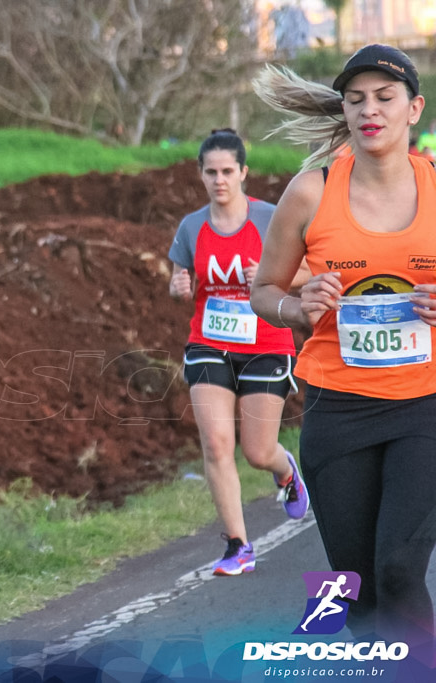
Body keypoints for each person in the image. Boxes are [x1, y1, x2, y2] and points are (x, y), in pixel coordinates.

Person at [251, 44, 436, 656]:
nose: (369, 111)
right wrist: (298, 308)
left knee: (401, 570)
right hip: (338, 404)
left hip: (424, 404)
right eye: (356, 100)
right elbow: (265, 290)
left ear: (415, 109)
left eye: (385, 98)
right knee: (356, 591)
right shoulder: (310, 192)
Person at [168, 128, 310, 577]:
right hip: (208, 343)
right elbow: (180, 282)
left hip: (266, 342)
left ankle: (285, 470)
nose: (219, 180)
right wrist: (178, 286)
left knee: (256, 450)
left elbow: (312, 269)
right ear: (201, 174)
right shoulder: (191, 227)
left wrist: (270, 276)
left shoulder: (270, 217)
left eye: (228, 171)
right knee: (215, 443)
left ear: (244, 172)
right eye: (210, 172)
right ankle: (237, 546)